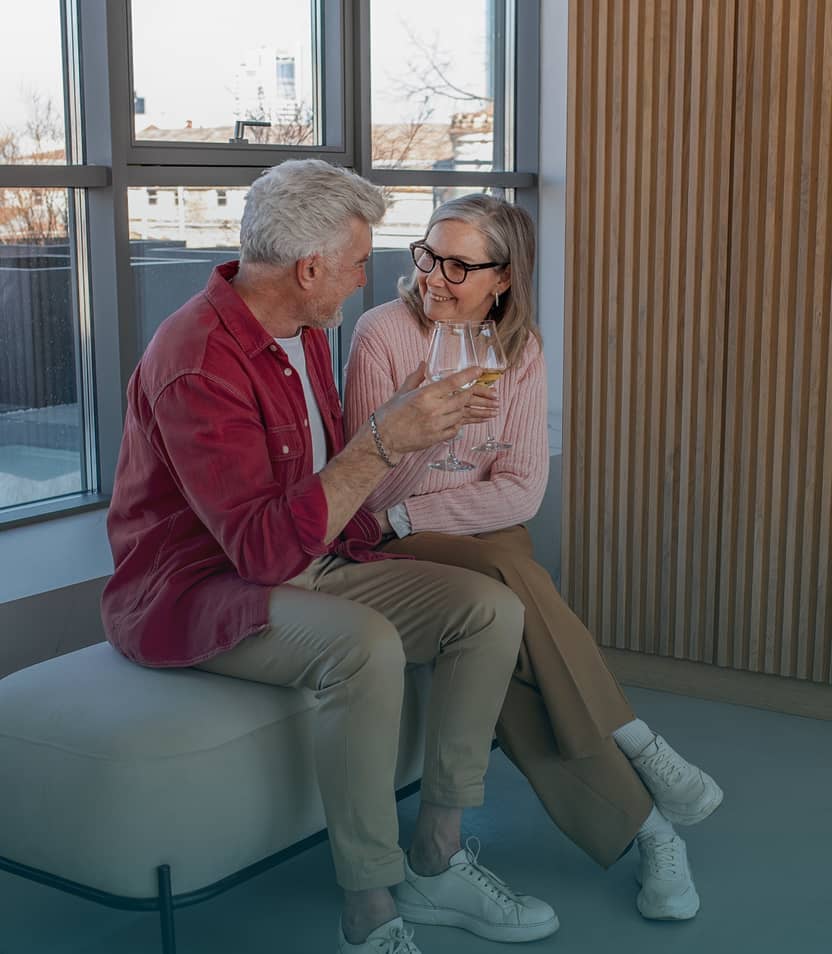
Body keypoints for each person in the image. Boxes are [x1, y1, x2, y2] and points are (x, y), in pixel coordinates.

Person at [101, 162, 559, 954]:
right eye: (356, 262)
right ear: (309, 269)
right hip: (204, 590)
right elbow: (264, 549)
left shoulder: (301, 334)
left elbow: (325, 484)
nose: (368, 278)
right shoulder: (198, 359)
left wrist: (396, 420)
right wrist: (387, 440)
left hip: (314, 559)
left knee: (491, 610)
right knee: (365, 648)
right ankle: (370, 904)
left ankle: (437, 857)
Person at [343, 193, 724, 923]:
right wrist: (415, 431)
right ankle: (639, 751)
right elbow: (367, 491)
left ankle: (650, 829)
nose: (435, 277)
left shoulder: (520, 348)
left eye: (460, 265)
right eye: (429, 255)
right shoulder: (383, 334)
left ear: (504, 277)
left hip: (484, 535)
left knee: (520, 669)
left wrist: (416, 498)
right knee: (516, 584)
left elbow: (519, 491)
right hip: (392, 538)